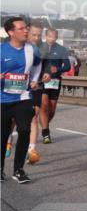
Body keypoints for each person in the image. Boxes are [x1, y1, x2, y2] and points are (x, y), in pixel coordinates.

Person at [2, 17, 44, 183]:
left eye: (26, 28)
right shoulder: (1, 49)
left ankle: (19, 170)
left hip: (24, 97)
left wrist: (34, 79)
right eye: (21, 28)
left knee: (25, 130)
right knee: (3, 135)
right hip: (2, 98)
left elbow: (38, 66)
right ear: (11, 32)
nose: (25, 31)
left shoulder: (32, 50)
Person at [38, 28, 72, 146]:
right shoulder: (39, 48)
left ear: (56, 38)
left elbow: (67, 66)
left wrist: (58, 69)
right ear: (45, 36)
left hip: (55, 81)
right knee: (44, 106)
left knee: (52, 110)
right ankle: (46, 133)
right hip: (42, 81)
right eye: (49, 36)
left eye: (54, 37)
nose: (52, 39)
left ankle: (44, 124)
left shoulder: (61, 49)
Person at [26, 23, 44, 164]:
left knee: (34, 117)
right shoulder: (13, 46)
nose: (36, 38)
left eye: (39, 35)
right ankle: (8, 139)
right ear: (27, 32)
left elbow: (44, 67)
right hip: (15, 87)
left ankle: (32, 150)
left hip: (35, 87)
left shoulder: (42, 49)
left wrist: (48, 74)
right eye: (34, 34)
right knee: (13, 120)